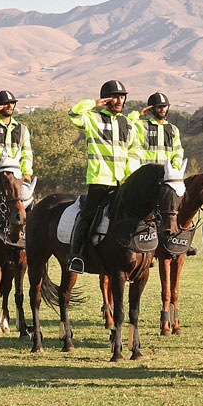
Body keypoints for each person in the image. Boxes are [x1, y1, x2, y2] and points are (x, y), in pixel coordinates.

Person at [66, 80, 137, 274]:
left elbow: (134, 152)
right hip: (99, 179)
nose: (119, 100)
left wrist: (129, 175)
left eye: (122, 96)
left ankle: (142, 254)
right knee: (87, 216)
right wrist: (93, 103)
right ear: (106, 99)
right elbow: (73, 113)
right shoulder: (92, 119)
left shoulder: (129, 124)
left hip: (122, 182)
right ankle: (77, 256)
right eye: (115, 96)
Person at [127, 92, 184, 171]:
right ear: (151, 109)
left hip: (165, 175)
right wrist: (139, 113)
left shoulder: (173, 130)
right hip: (145, 173)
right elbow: (127, 122)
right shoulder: (142, 126)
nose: (162, 109)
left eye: (164, 106)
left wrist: (175, 168)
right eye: (159, 107)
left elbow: (178, 152)